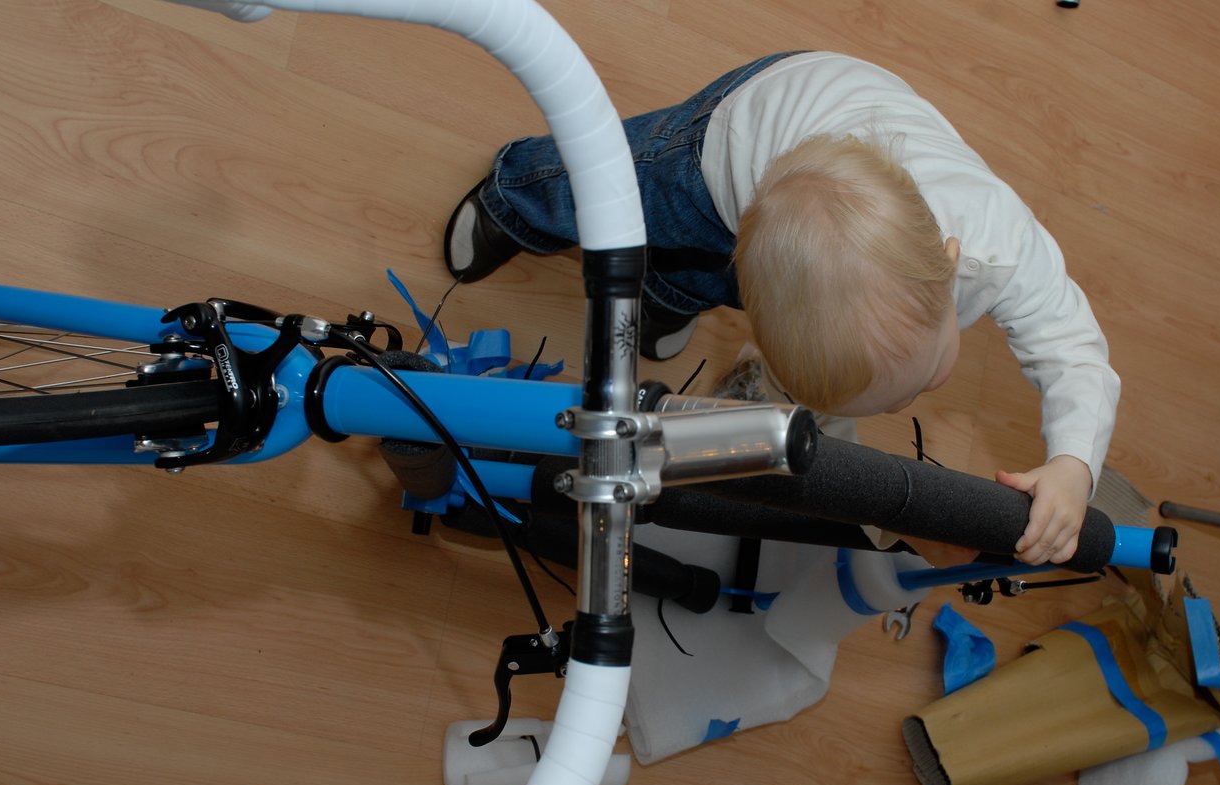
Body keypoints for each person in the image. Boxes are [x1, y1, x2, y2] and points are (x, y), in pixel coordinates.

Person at [443, 51, 1120, 568]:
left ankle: (670, 293)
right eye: (922, 378)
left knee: (717, 276)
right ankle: (518, 195)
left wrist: (1073, 463)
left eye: (907, 386)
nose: (902, 406)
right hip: (728, 140)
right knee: (618, 193)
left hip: (806, 162)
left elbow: (1075, 349)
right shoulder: (996, 251)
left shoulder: (1003, 251)